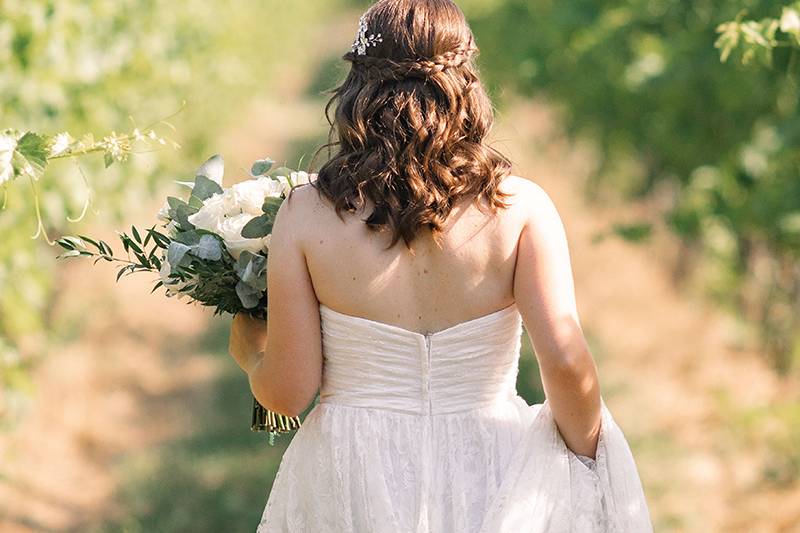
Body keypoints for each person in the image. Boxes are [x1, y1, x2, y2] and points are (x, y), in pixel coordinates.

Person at [228, 0, 653, 531]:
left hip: (353, 471)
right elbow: (566, 364)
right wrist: (590, 469)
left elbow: (288, 394)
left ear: (358, 87)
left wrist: (252, 356)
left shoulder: (307, 214)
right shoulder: (519, 208)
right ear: (466, 82)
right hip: (490, 460)